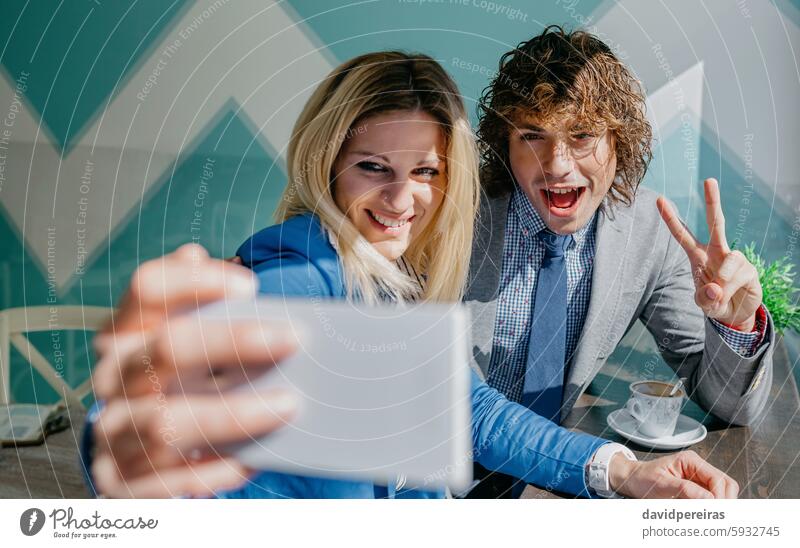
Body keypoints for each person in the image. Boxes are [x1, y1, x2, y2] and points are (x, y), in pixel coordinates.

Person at [83, 51, 738, 500]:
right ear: (325, 161)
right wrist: (133, 443)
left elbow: (469, 410)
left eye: (425, 172)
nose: (401, 200)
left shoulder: (387, 279)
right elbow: (155, 423)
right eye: (373, 167)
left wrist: (626, 472)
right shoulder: (303, 268)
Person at [464, 25, 773, 497]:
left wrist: (738, 324)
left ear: (619, 141)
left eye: (582, 135)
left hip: (550, 484)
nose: (557, 164)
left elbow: (733, 407)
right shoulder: (450, 220)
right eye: (532, 136)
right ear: (504, 143)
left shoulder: (652, 230)